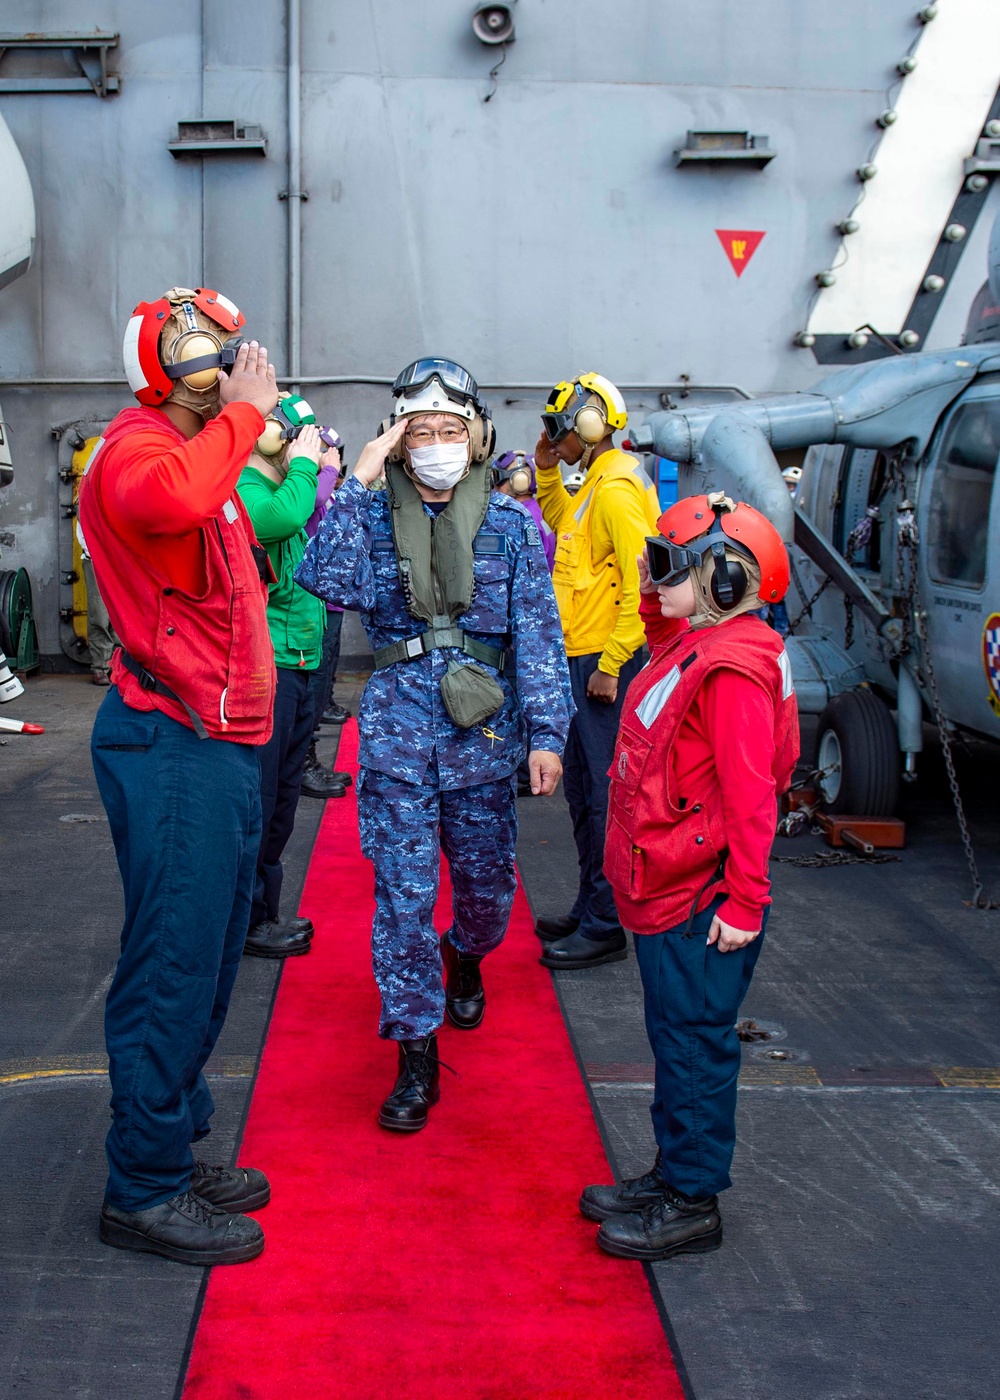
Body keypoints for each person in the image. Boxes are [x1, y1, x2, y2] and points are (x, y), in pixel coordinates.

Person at [297, 357, 572, 1132]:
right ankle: (415, 1055)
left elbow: (540, 637)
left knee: (486, 899)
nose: (437, 442)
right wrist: (359, 477)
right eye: (420, 430)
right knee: (403, 902)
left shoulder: (514, 526)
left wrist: (547, 734)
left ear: (477, 435)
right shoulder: (374, 512)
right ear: (397, 435)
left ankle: (470, 958)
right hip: (394, 736)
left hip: (483, 738)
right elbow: (323, 577)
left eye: (451, 429)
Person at [78, 287, 280, 1266]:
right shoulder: (134, 449)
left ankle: (174, 1136)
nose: (235, 358)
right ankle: (144, 1185)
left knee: (204, 957)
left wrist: (237, 425)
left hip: (219, 741)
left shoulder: (200, 447)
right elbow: (172, 500)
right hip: (173, 744)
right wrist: (246, 413)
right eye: (211, 344)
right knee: (170, 962)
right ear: (163, 359)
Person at [579, 491, 799, 1262]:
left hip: (701, 898)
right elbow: (660, 635)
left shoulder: (733, 671)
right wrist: (652, 586)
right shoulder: (701, 645)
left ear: (726, 584)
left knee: (695, 1045)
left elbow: (752, 800)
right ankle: (673, 1172)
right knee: (675, 1038)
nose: (654, 575)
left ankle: (693, 1200)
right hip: (673, 885)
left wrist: (745, 900)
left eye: (669, 567)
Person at [532, 373, 661, 969]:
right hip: (580, 655)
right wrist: (547, 467)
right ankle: (590, 905)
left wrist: (611, 665)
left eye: (559, 431)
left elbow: (643, 584)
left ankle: (607, 923)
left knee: (606, 798)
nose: (554, 439)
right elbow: (561, 520)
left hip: (602, 663)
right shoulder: (594, 485)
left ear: (590, 426)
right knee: (585, 793)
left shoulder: (616, 491)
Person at [236, 393, 339, 961]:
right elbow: (286, 518)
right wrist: (311, 466)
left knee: (280, 800)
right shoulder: (251, 490)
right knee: (262, 797)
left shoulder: (282, 487)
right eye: (300, 437)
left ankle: (263, 913)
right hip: (270, 667)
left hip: (296, 664)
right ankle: (249, 918)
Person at [301, 426, 353, 793]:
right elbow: (315, 501)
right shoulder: (307, 482)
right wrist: (330, 471)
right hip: (310, 599)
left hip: (326, 600)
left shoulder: (322, 484)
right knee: (310, 684)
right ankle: (304, 762)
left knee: (319, 680)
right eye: (326, 449)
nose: (331, 456)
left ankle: (306, 758)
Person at [492, 450, 556, 570]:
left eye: (498, 478)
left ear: (518, 481)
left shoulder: (521, 519)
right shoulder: (537, 510)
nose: (495, 486)